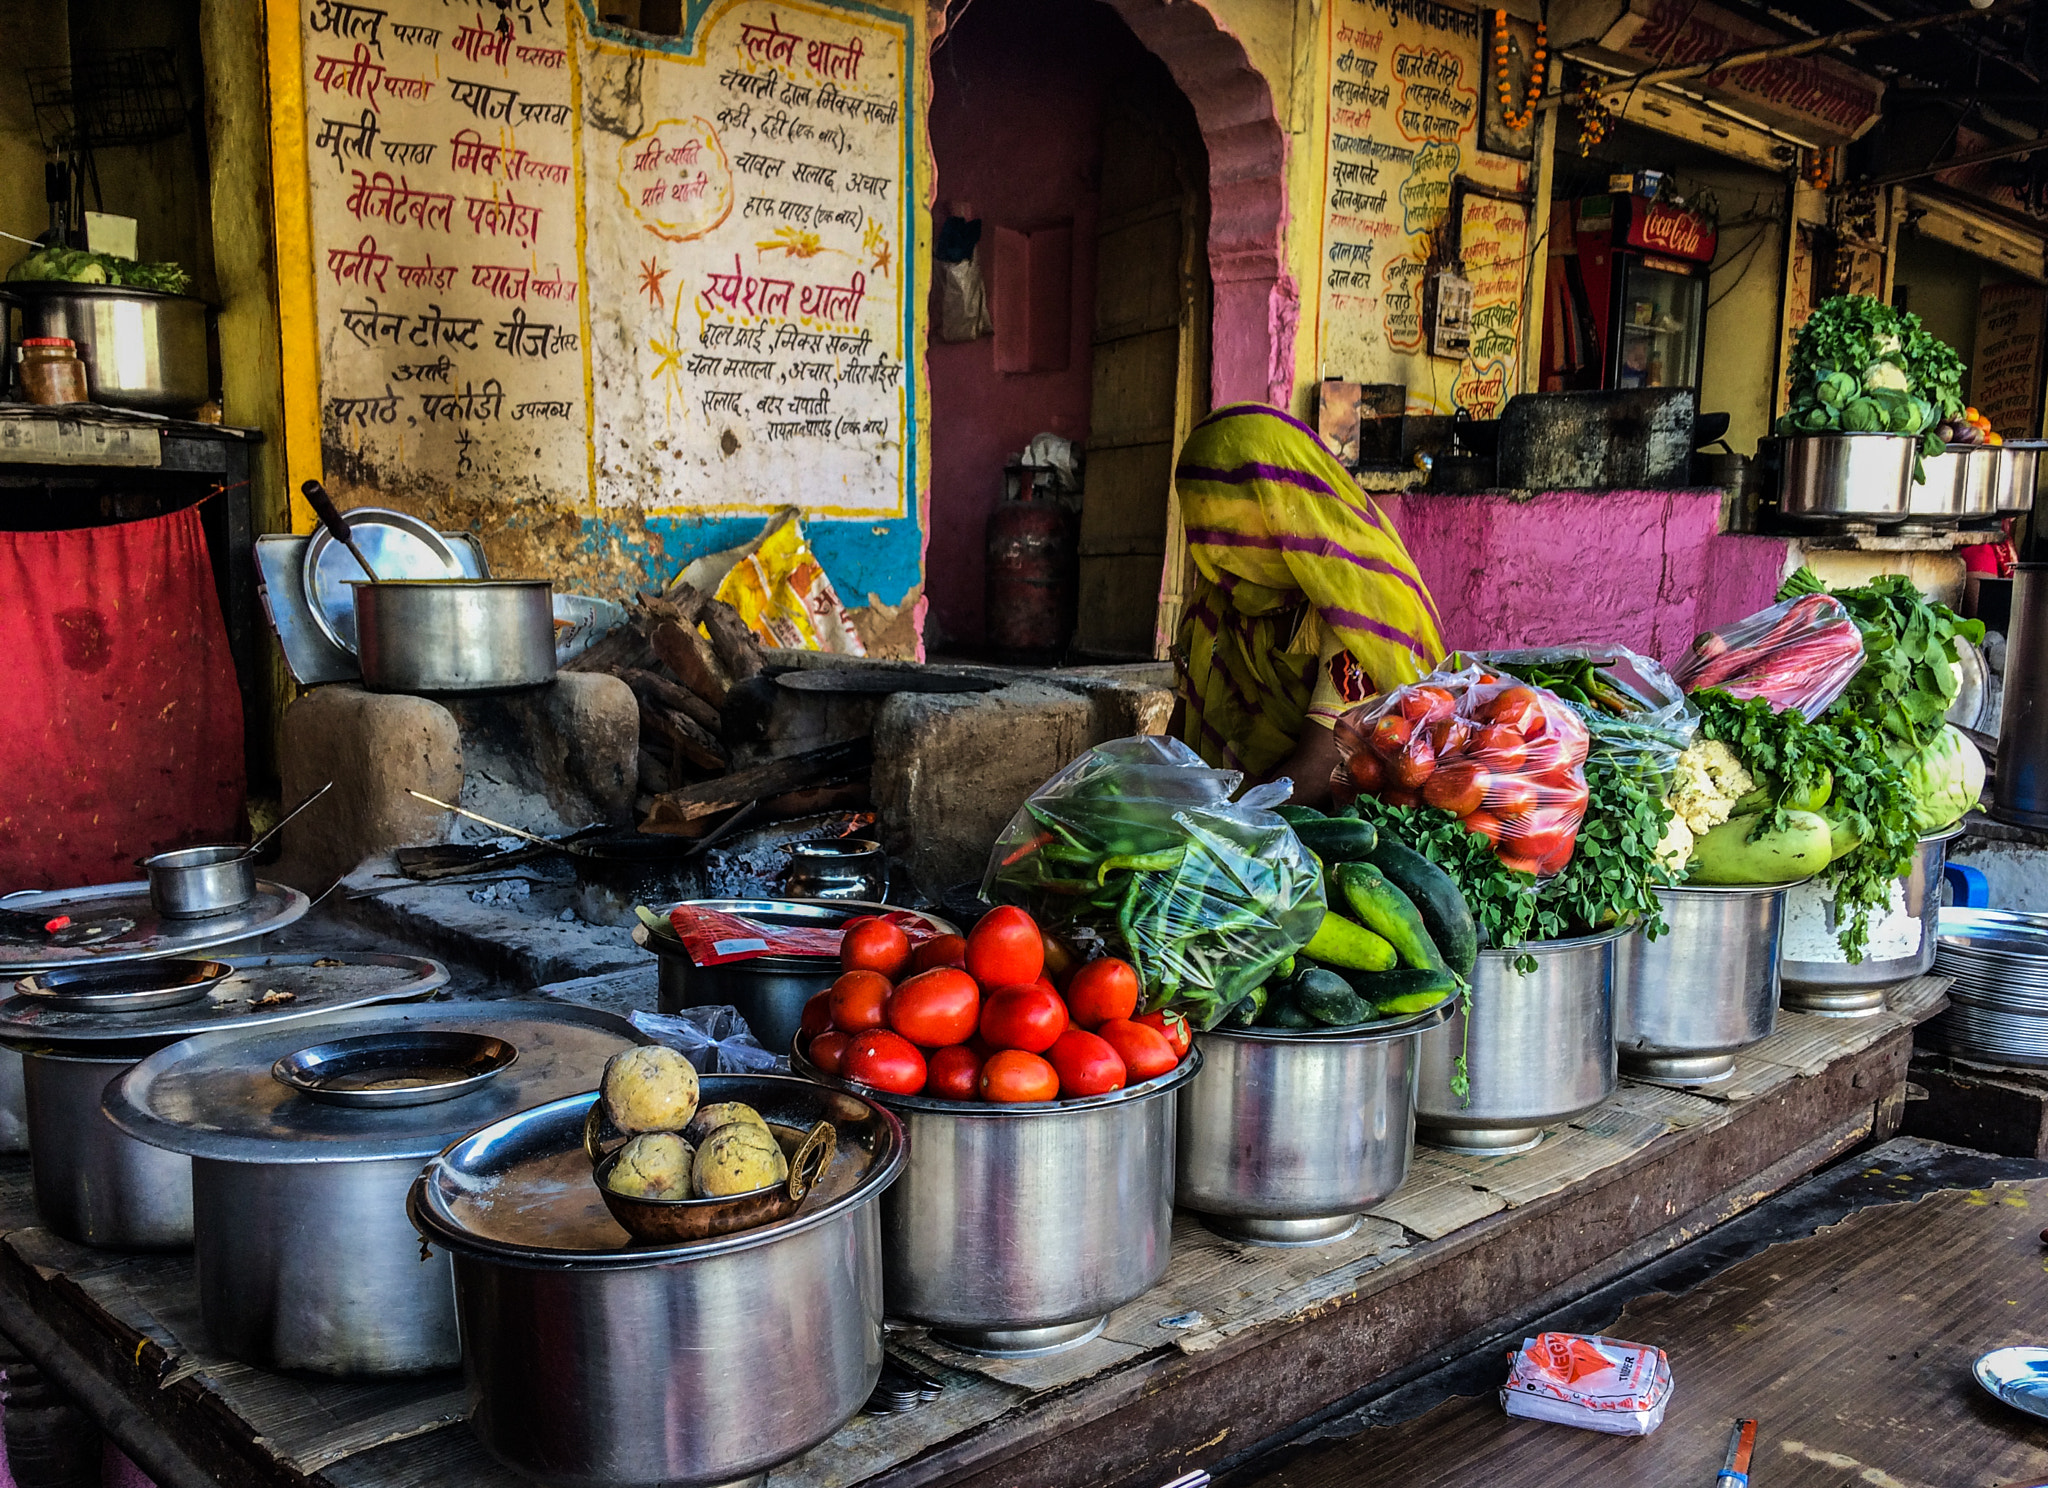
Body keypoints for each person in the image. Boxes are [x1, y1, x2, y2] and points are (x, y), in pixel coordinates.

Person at [1171, 401, 1444, 805]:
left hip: (1336, 830)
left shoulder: (1358, 599)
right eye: (1203, 531)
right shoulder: (1221, 599)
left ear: (1283, 506)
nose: (1216, 554)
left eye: (1231, 530)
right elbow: (1181, 731)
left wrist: (1216, 830)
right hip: (1238, 819)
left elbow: (1322, 766)